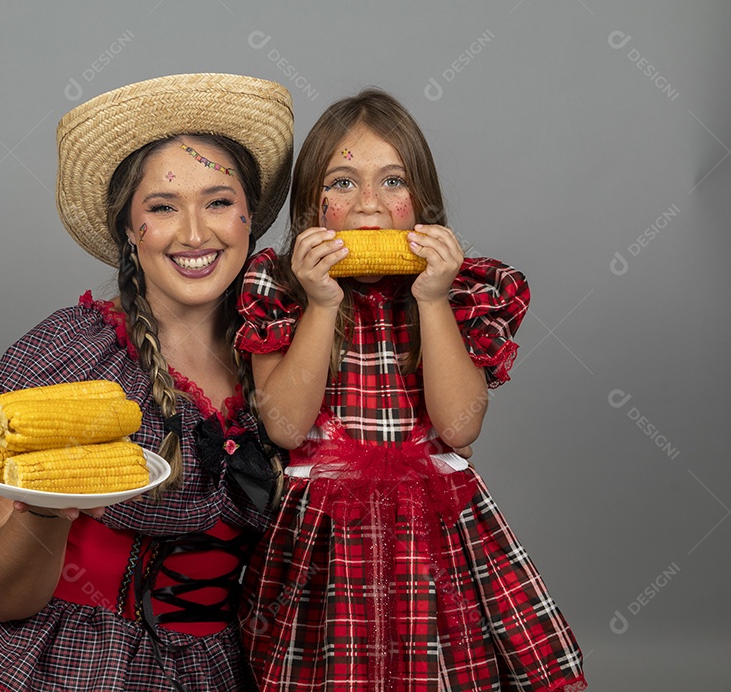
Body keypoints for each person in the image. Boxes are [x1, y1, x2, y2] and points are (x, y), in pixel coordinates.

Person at [0, 72, 294, 691]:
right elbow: (2, 596)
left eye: (217, 201)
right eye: (162, 207)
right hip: (63, 662)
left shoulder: (290, 357)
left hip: (217, 671)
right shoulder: (71, 356)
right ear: (130, 229)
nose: (195, 233)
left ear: (249, 217)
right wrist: (48, 510)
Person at [236, 88, 587, 691]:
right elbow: (286, 428)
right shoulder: (281, 285)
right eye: (341, 183)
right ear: (310, 209)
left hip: (437, 531)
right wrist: (322, 303)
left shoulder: (459, 291)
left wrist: (431, 298)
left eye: (392, 181)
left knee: (441, 669)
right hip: (324, 535)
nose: (369, 206)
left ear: (423, 201)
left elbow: (460, 427)